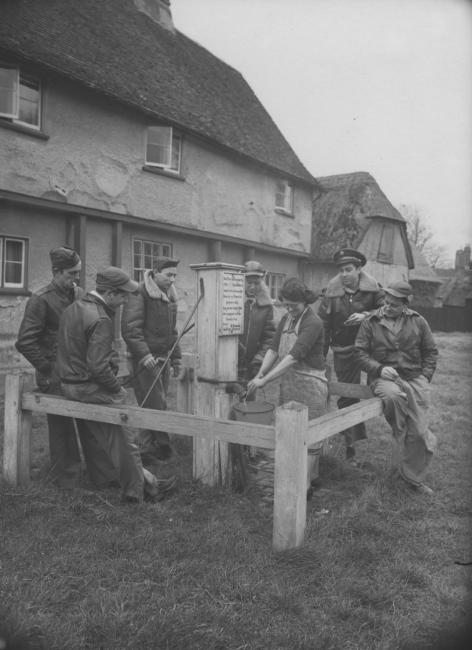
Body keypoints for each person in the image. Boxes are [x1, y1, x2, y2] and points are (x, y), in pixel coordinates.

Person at [56, 266, 176, 503]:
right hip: (87, 388)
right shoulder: (101, 318)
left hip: (68, 385)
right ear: (110, 293)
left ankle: (146, 479)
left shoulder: (74, 308)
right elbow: (98, 367)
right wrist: (117, 389)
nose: (124, 301)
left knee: (110, 434)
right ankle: (138, 492)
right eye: (122, 295)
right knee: (125, 435)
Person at [15, 246, 116, 488]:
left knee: (92, 423)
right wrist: (49, 369)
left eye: (78, 273)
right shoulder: (40, 300)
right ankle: (67, 482)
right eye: (71, 273)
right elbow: (25, 341)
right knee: (62, 430)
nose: (76, 278)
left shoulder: (80, 294)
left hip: (82, 373)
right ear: (56, 272)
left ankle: (104, 478)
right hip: (55, 377)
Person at [354, 280, 438, 495]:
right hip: (383, 379)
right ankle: (399, 437)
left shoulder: (419, 322)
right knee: (393, 397)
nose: (387, 307)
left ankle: (413, 478)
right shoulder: (370, 322)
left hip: (414, 378)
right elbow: (360, 353)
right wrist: (379, 369)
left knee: (419, 432)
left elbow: (430, 352)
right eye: (386, 302)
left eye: (393, 304)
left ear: (405, 305)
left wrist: (425, 377)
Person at [247, 277, 328, 500]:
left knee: (311, 436)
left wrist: (266, 381)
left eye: (294, 305)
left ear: (305, 301)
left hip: (311, 383)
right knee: (291, 434)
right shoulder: (286, 319)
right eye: (286, 304)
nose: (290, 309)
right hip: (290, 382)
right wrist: (261, 373)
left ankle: (308, 485)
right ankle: (296, 477)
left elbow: (293, 356)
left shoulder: (313, 322)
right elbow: (273, 350)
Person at [318, 248, 384, 465]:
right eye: (341, 270)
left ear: (358, 269)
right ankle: (350, 446)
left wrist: (366, 315)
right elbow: (323, 326)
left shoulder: (374, 290)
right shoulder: (331, 292)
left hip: (372, 351)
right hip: (343, 351)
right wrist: (321, 354)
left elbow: (392, 310)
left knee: (380, 393)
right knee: (347, 396)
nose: (344, 274)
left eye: (348, 269)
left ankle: (395, 441)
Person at [121, 256, 181, 469]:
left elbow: (173, 332)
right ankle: (163, 446)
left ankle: (146, 448)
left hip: (163, 359)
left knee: (154, 402)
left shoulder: (170, 296)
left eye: (175, 275)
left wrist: (176, 358)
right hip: (144, 361)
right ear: (155, 273)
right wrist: (144, 356)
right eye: (168, 275)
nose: (172, 279)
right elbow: (131, 329)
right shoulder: (140, 293)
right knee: (154, 403)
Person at [238, 260, 275, 382]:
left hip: (251, 365)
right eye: (249, 282)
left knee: (249, 399)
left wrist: (259, 359)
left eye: (257, 283)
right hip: (229, 363)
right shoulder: (231, 302)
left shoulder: (266, 307)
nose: (253, 286)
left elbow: (269, 338)